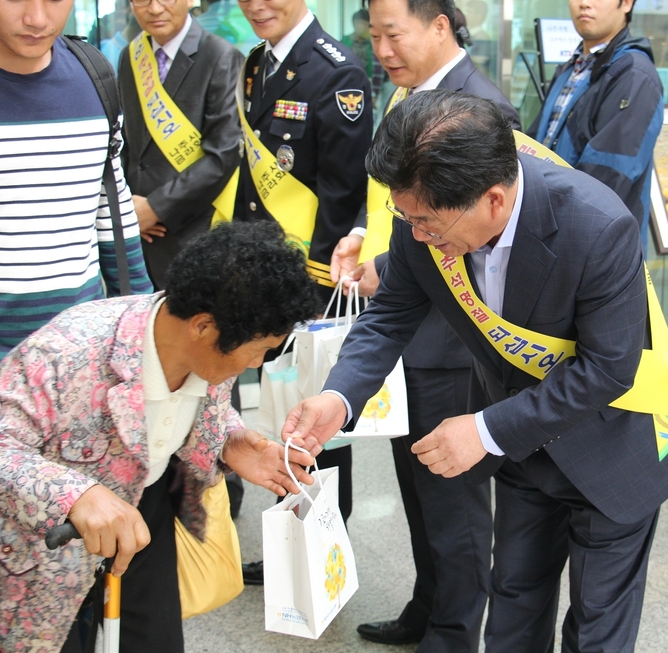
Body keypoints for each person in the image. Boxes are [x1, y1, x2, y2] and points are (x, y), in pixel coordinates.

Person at [289, 91, 668, 653]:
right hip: (525, 449)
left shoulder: (596, 224)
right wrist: (339, 397)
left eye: (426, 222)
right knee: (514, 602)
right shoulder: (425, 214)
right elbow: (388, 316)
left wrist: (483, 431)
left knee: (597, 627)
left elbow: (608, 370)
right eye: (404, 218)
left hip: (617, 442)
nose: (414, 236)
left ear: (493, 200)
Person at [0, 221, 320, 653]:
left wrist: (228, 440)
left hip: (143, 512)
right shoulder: (65, 353)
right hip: (46, 543)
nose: (254, 365)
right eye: (259, 350)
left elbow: (178, 411)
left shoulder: (207, 352)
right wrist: (74, 496)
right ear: (203, 327)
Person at [329, 1, 521, 649]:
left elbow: (483, 240)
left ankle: (454, 632)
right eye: (374, 36)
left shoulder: (481, 109)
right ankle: (427, 602)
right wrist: (364, 234)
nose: (382, 49)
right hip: (409, 330)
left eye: (394, 34)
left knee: (456, 506)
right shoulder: (407, 97)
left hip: (453, 344)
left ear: (440, 25)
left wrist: (392, 261)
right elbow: (392, 193)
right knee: (418, 491)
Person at [234, 0, 373, 585]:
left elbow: (343, 197)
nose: (257, 6)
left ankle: (319, 554)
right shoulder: (256, 63)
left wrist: (308, 293)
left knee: (314, 423)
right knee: (276, 414)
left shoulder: (337, 73)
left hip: (307, 289)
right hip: (260, 277)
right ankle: (290, 537)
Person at [0, 0, 153, 360]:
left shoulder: (94, 76)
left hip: (81, 357)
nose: (36, 19)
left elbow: (111, 210)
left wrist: (144, 320)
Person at [118, 0, 244, 289]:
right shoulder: (131, 56)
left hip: (194, 230)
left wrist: (156, 208)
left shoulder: (220, 56)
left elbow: (222, 155)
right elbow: (125, 142)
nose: (154, 9)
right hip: (138, 231)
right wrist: (129, 207)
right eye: (142, 0)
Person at [528, 0, 663, 246]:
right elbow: (535, 144)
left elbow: (607, 178)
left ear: (627, 4)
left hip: (593, 248)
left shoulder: (635, 75)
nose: (584, 4)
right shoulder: (573, 67)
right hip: (549, 236)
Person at [343, 8, 385, 114]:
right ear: (354, 24)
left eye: (365, 24)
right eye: (359, 23)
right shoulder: (344, 42)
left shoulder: (373, 44)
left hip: (369, 87)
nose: (362, 27)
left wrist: (375, 93)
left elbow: (378, 71)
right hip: (347, 87)